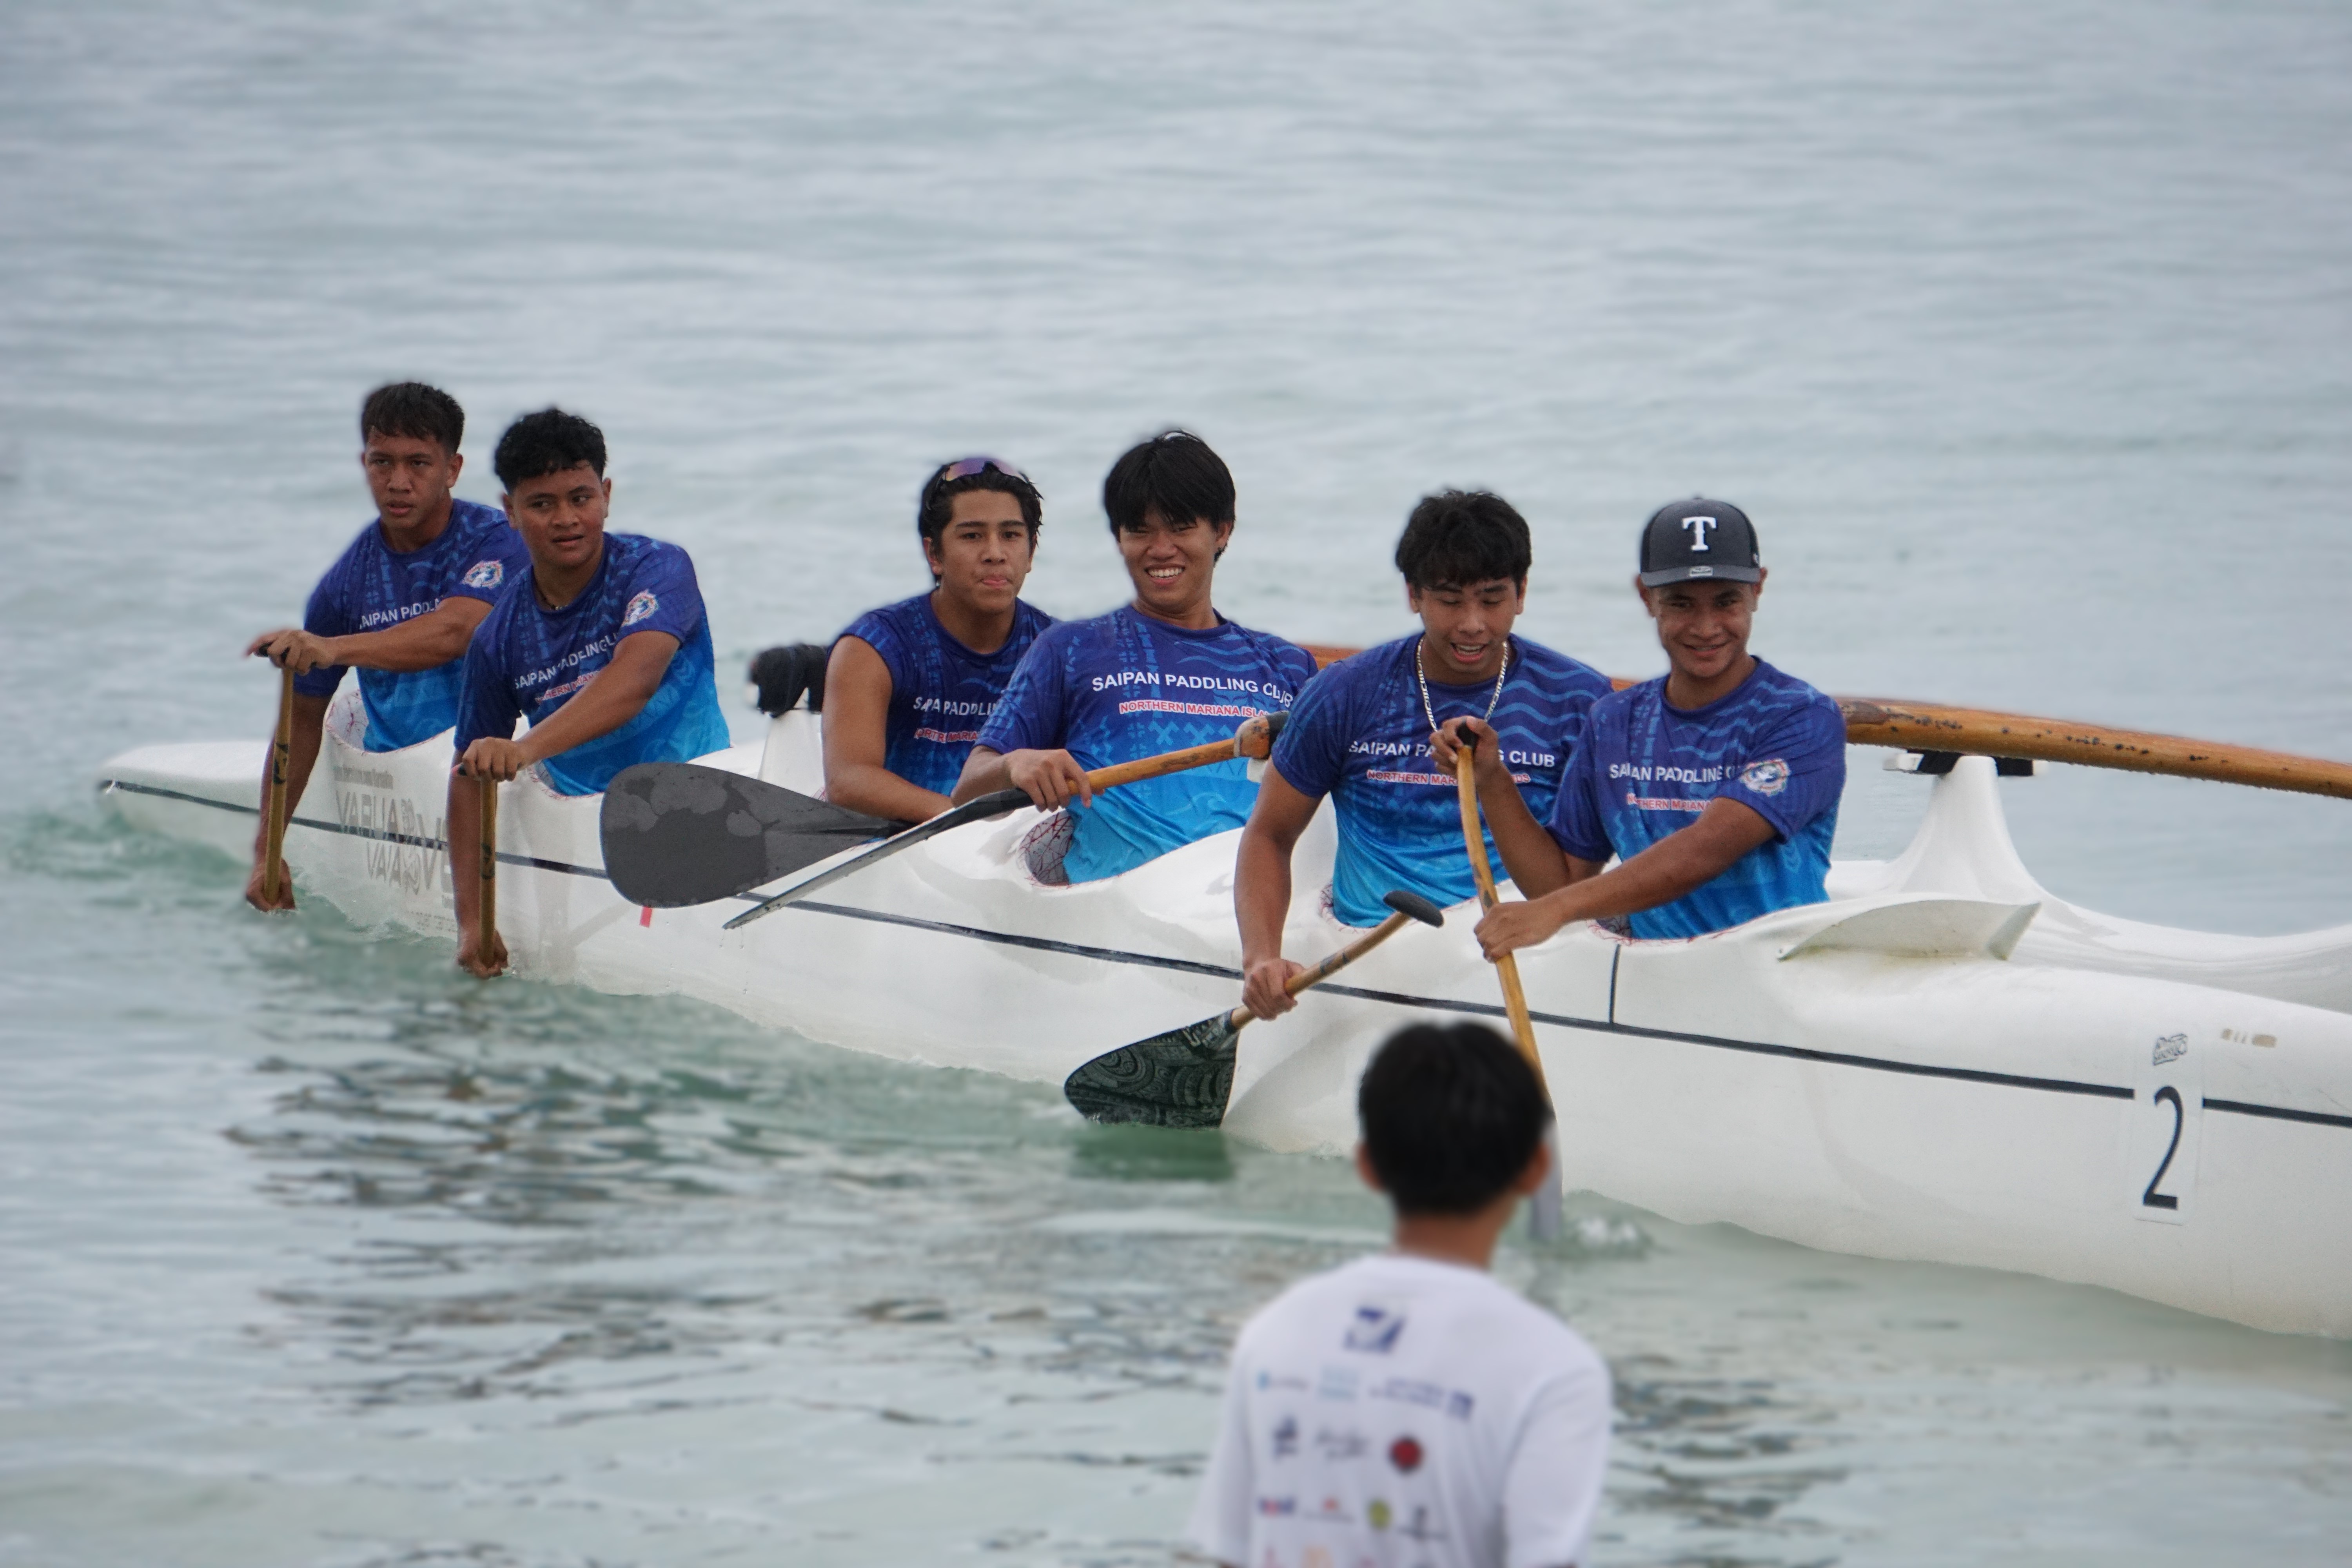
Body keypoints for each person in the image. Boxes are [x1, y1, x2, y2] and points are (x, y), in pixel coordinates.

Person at [1187, 1021, 1612, 1568]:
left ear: (1367, 1166)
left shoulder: (1275, 1332)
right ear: (1534, 1170)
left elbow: (1223, 1553)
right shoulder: (1556, 1370)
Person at [1233, 490, 1613, 1020]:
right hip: (1374, 962)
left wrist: (1494, 781)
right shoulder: (1346, 693)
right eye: (1450, 600)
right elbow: (1270, 835)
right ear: (1414, 594)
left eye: (1492, 598)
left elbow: (1563, 892)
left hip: (1521, 965)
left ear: (1522, 592)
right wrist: (1261, 958)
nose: (1473, 624)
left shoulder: (1581, 701)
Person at [1441, 498, 1846, 958]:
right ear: (1645, 596)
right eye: (1681, 604)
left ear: (1758, 589)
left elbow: (1707, 848)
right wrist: (1492, 778)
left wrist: (1556, 911)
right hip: (1655, 985)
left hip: (1778, 976)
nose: (1706, 626)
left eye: (1726, 601)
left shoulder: (1802, 717)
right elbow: (1558, 884)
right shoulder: (1613, 721)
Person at [953, 431, 1317, 883]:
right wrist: (1016, 764)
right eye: (1140, 531)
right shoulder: (1070, 649)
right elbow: (967, 790)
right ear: (1119, 538)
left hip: (1248, 901)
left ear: (1222, 531)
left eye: (1182, 527)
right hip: (1119, 913)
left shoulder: (1288, 665)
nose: (1161, 549)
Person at [447, 408, 731, 976]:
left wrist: (523, 750)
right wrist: (474, 923)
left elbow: (634, 681)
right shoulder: (498, 638)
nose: (566, 519)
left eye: (580, 498)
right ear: (510, 513)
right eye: (542, 504)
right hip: (581, 830)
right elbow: (468, 779)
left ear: (606, 494)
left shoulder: (657, 569)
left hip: (697, 799)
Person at [242, 382, 529, 911]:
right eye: (382, 463)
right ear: (364, 462)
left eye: (419, 463)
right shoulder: (344, 584)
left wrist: (332, 649)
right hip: (403, 781)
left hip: (500, 764)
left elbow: (456, 630)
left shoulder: (500, 541)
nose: (399, 482)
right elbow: (302, 720)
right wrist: (268, 849)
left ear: (453, 469)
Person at [821, 457, 1055, 822]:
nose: (995, 554)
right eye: (972, 536)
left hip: (1008, 853)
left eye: (1011, 535)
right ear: (935, 555)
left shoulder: (1056, 650)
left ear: (1031, 552)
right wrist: (962, 822)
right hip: (895, 849)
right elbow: (849, 781)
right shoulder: (874, 647)